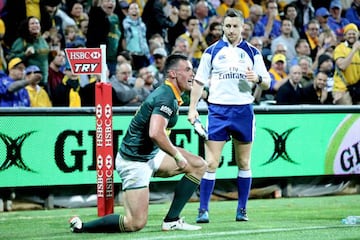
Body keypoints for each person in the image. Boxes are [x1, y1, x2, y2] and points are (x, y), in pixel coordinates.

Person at [69, 54, 207, 233]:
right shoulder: (166, 97)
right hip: (135, 162)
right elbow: (156, 133)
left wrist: (194, 110)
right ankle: (82, 226)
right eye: (188, 70)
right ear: (173, 73)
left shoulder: (171, 93)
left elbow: (196, 93)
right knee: (134, 223)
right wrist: (177, 156)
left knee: (198, 165)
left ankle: (172, 220)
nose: (192, 74)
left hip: (151, 154)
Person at [187, 9, 271, 224]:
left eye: (235, 26)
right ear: (223, 27)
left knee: (244, 162)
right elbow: (198, 82)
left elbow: (268, 82)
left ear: (242, 27)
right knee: (211, 163)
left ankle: (242, 209)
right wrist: (192, 108)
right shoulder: (212, 51)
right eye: (228, 26)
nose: (231, 30)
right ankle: (203, 210)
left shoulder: (253, 52)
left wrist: (258, 77)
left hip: (243, 111)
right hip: (218, 111)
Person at [332, 23, 360, 105]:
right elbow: (342, 66)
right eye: (349, 34)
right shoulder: (340, 48)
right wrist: (354, 50)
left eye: (354, 33)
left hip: (356, 88)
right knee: (348, 112)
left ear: (358, 35)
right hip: (341, 88)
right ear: (344, 36)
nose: (352, 36)